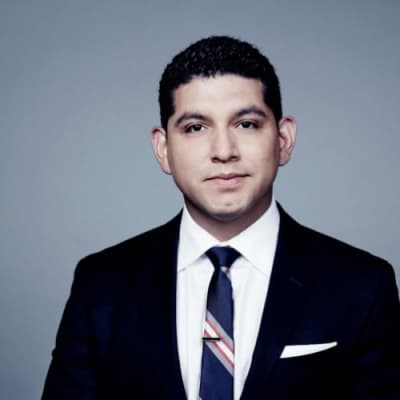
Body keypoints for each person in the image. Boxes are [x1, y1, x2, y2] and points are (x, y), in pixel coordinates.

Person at [42, 36, 400, 399]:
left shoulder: (362, 286)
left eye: (246, 124)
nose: (224, 151)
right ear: (163, 149)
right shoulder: (101, 285)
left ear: (283, 139)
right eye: (196, 128)